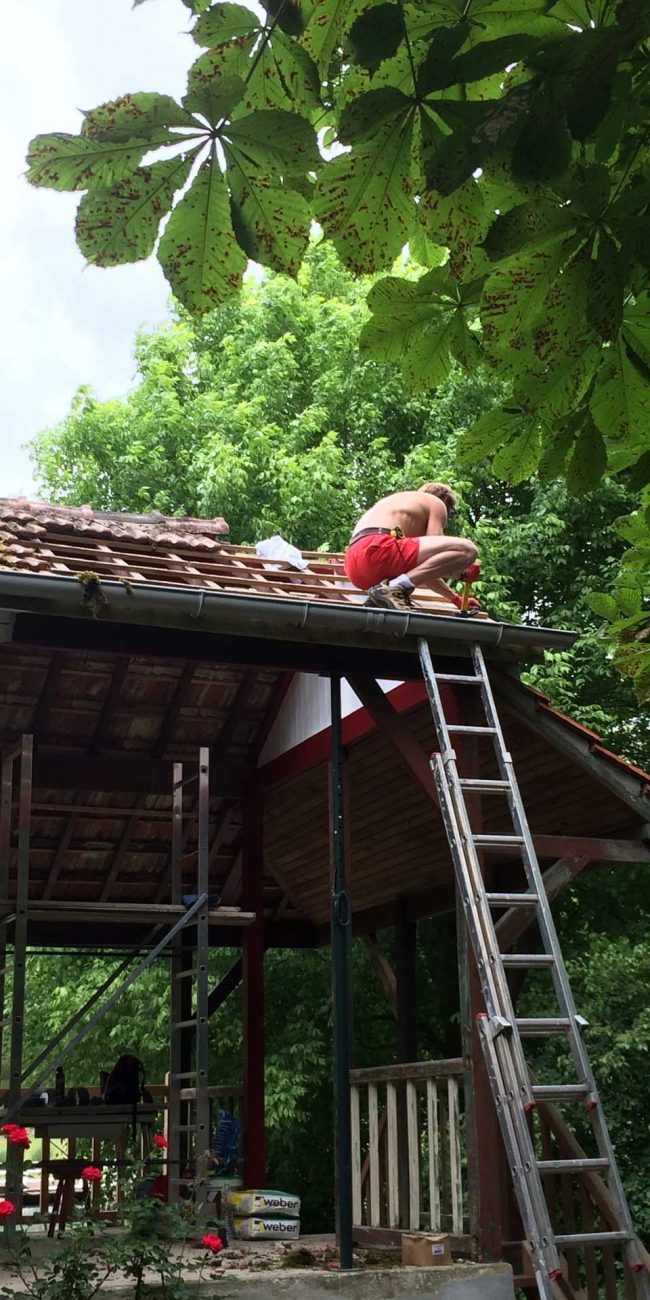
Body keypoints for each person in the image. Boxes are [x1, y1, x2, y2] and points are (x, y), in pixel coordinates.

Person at [344, 483, 480, 612]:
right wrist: (462, 571)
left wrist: (455, 599)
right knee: (467, 550)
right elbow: (438, 552)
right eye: (451, 512)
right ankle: (395, 587)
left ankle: (389, 590)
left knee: (407, 578)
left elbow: (428, 571)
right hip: (378, 549)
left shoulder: (401, 506)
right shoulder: (436, 503)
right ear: (445, 500)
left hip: (354, 567)